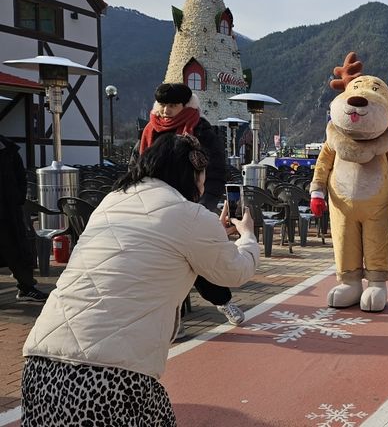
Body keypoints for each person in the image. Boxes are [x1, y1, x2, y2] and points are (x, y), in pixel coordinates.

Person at [21, 133, 260, 426]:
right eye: (202, 177)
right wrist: (247, 236)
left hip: (41, 364)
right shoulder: (190, 214)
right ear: (192, 175)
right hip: (109, 378)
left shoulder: (113, 200)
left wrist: (213, 235)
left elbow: (153, 242)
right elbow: (235, 271)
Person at [136, 82, 245, 328]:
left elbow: (215, 169)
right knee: (164, 260)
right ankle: (172, 317)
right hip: (155, 203)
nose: (165, 111)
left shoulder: (201, 129)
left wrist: (205, 204)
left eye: (172, 106)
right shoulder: (149, 130)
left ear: (185, 106)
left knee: (199, 256)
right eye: (162, 105)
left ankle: (222, 300)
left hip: (191, 201)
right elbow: (138, 165)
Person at [0, 135, 48, 302]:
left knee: (18, 249)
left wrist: (18, 197)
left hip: (9, 210)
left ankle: (26, 288)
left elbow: (20, 176)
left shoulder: (8, 148)